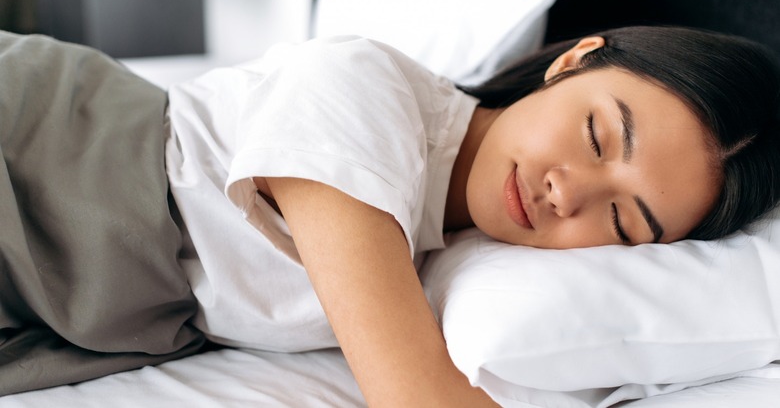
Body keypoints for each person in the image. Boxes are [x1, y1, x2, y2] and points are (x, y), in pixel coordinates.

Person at [0, 25, 778, 404]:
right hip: (51, 156)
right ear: (572, 59)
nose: (566, 193)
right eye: (596, 135)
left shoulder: (450, 258)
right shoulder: (364, 90)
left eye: (621, 224)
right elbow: (418, 398)